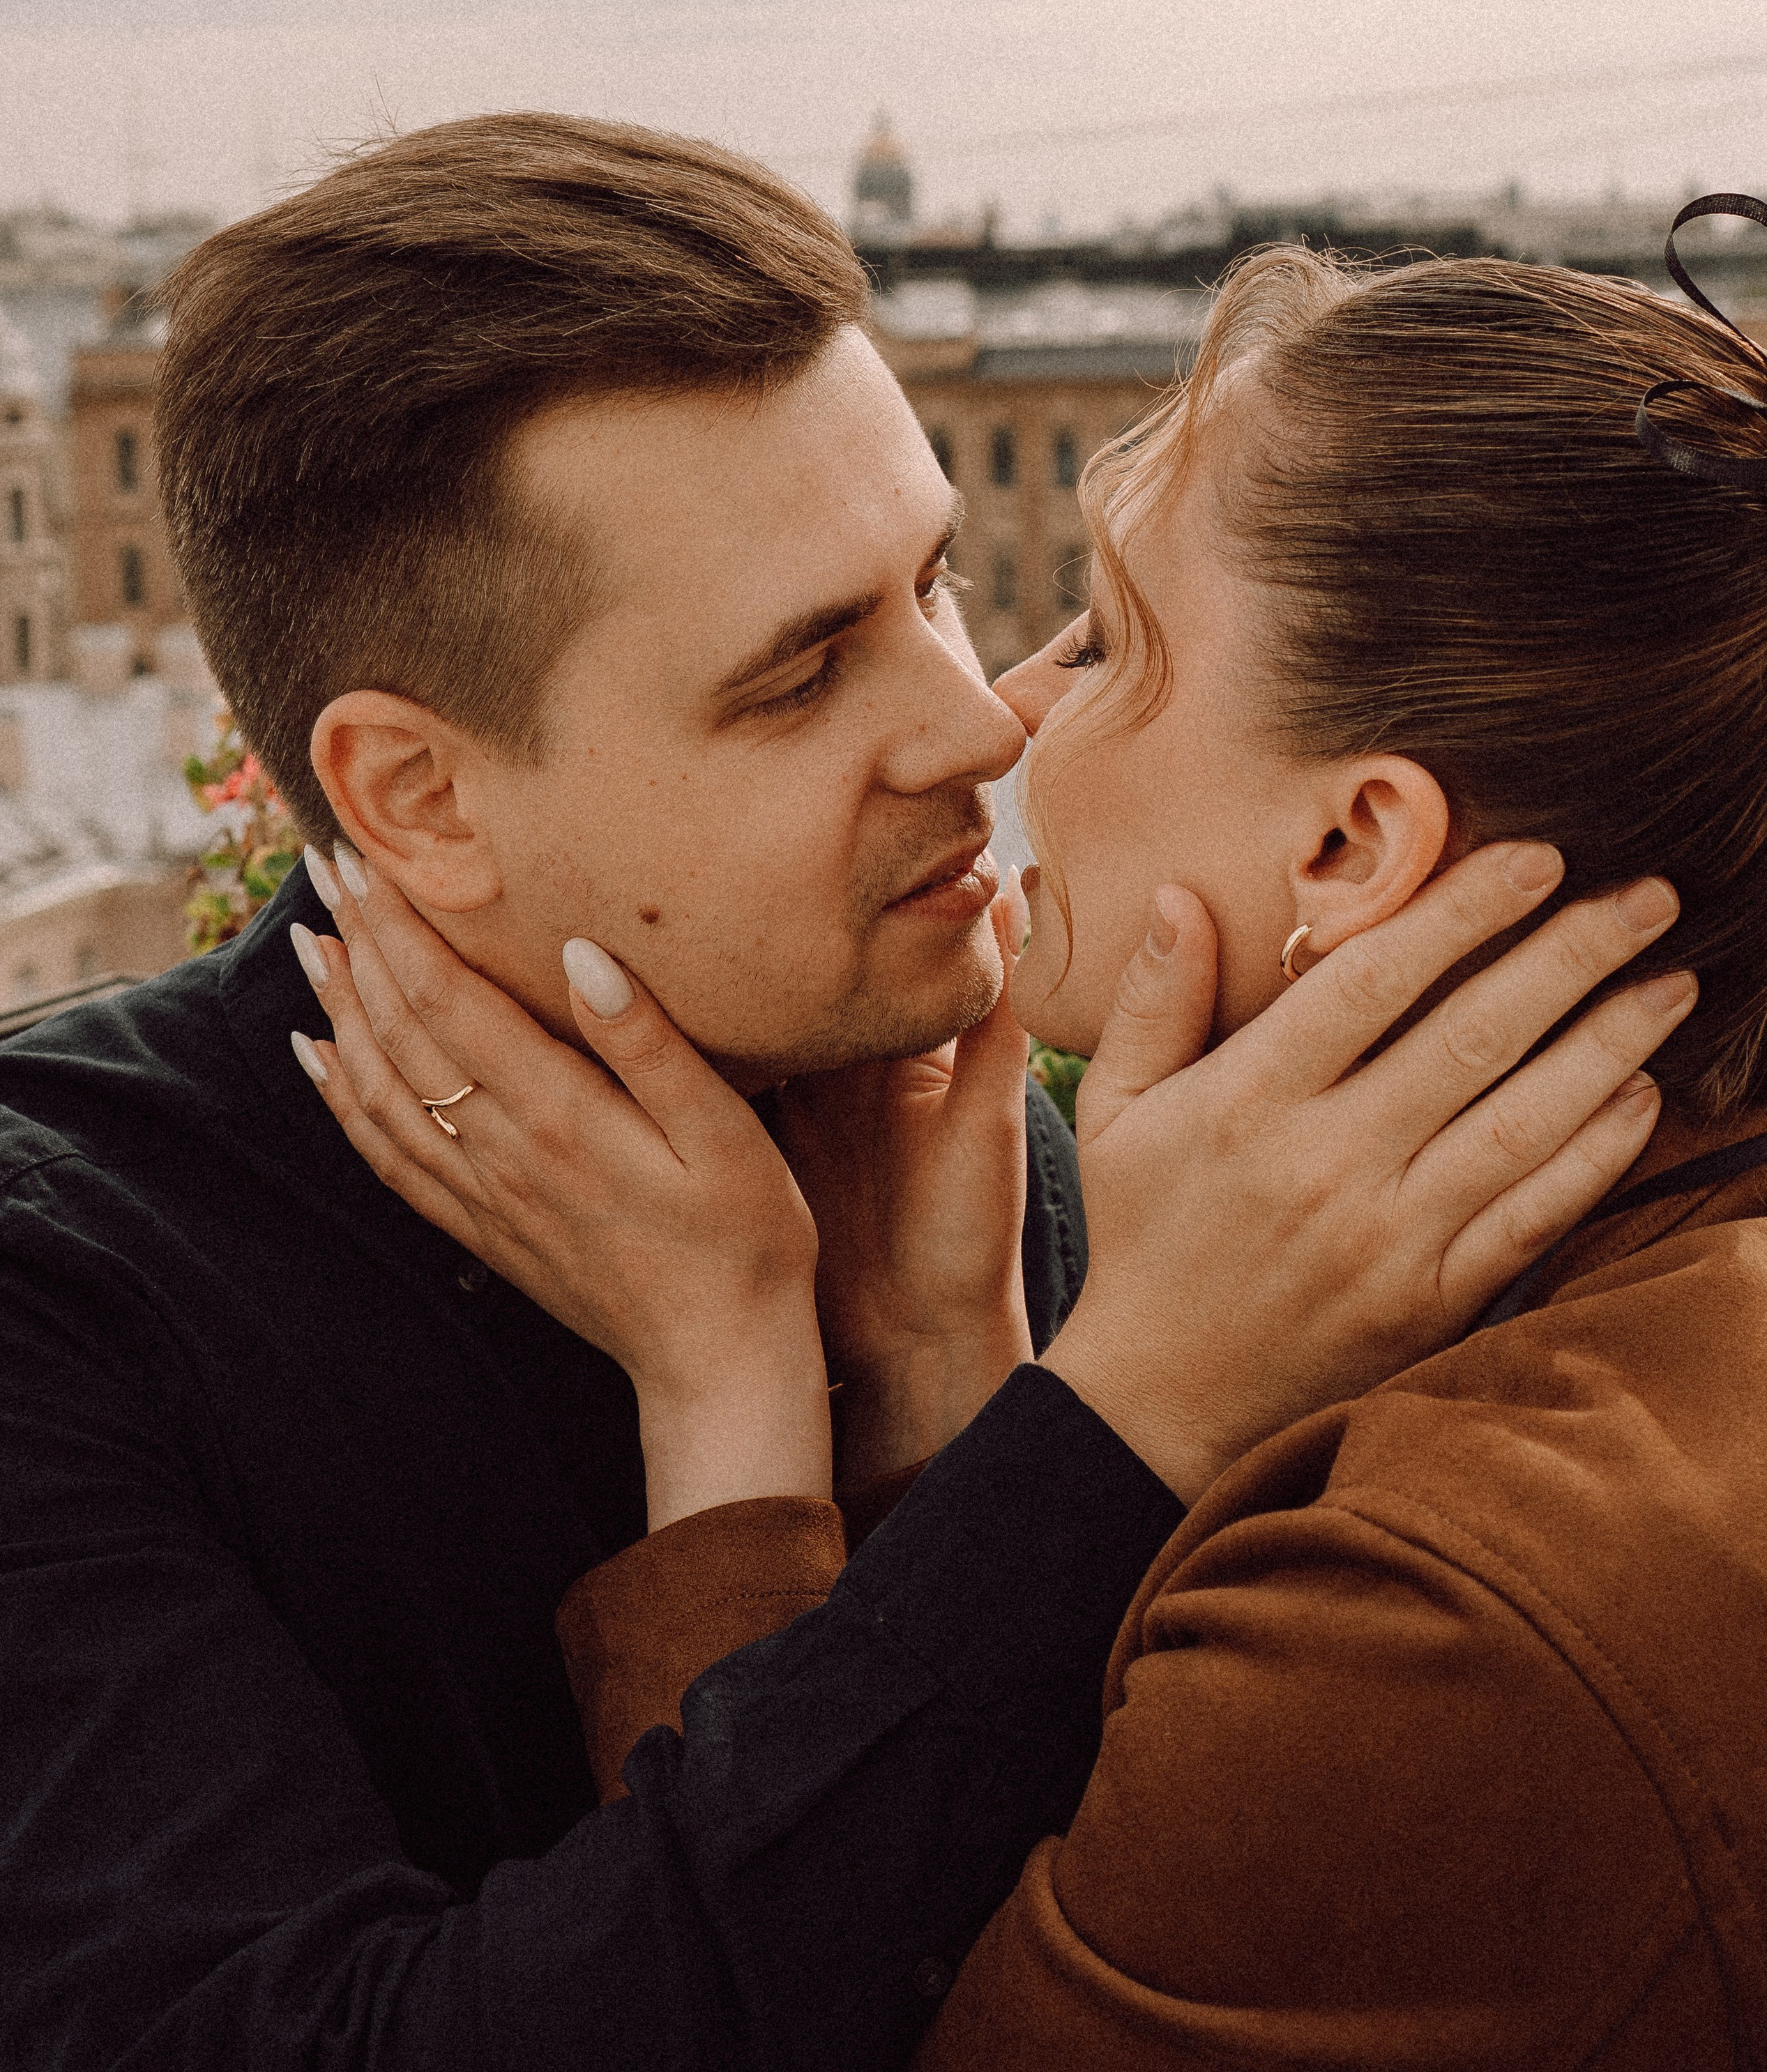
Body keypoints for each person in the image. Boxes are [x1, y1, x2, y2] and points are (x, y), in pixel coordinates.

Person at [0, 116, 1682, 2072]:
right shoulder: (61, 1295)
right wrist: (1109, 1432)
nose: (980, 724)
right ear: (420, 798)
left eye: (935, 584)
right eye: (802, 676)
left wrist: (935, 1416)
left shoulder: (944, 1127)